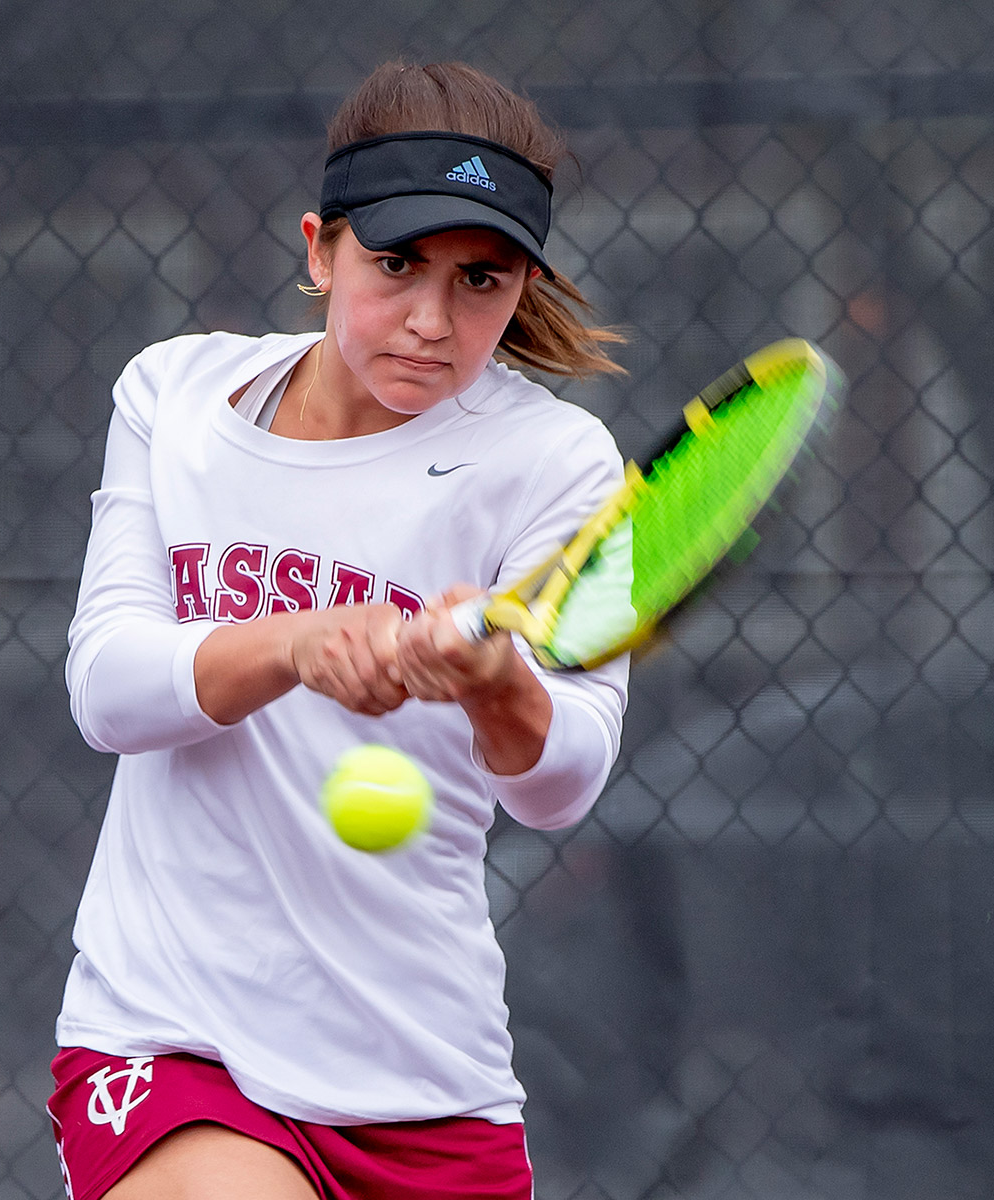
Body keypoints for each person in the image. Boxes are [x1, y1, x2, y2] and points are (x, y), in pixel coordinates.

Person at [48, 60, 630, 1200]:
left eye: (481, 280)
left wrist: (490, 680)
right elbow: (110, 692)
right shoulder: (173, 401)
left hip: (423, 1075)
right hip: (173, 1037)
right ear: (320, 249)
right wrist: (299, 643)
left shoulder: (554, 463)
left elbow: (559, 783)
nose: (430, 318)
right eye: (396, 265)